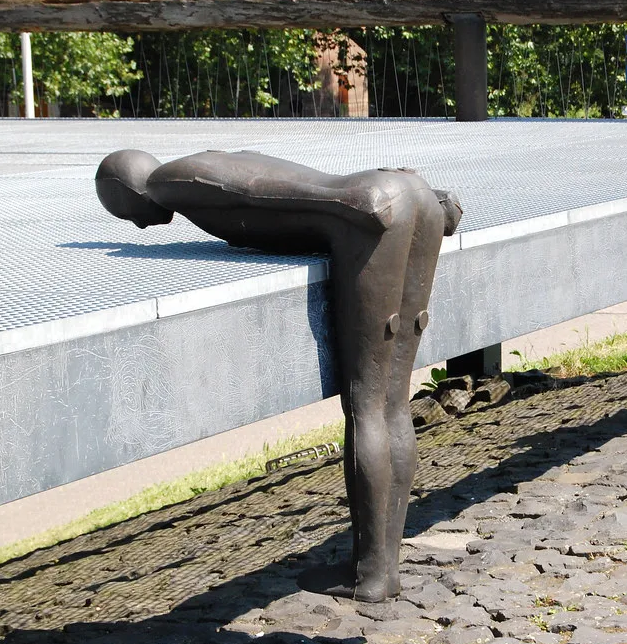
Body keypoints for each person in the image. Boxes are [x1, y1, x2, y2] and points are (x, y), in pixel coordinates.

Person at [96, 149, 461, 602]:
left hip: (370, 206)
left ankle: (367, 575)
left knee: (367, 405)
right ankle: (382, 572)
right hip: (413, 199)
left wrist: (351, 200)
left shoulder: (168, 180)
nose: (135, 223)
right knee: (392, 402)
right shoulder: (210, 170)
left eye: (120, 208)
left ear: (126, 186)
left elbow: (250, 190)